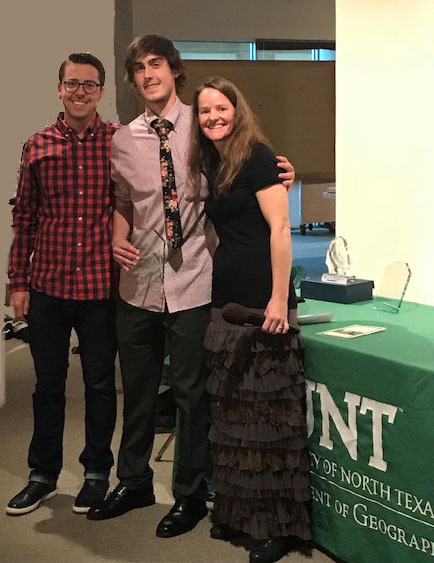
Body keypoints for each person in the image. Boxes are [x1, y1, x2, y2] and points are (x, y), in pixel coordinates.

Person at [87, 35, 295, 539]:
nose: (148, 74)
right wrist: (116, 238)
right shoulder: (123, 139)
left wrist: (281, 171)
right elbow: (124, 201)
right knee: (138, 390)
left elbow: (248, 165)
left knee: (190, 393)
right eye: (139, 68)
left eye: (156, 63)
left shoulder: (203, 129)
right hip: (139, 283)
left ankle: (190, 493)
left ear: (174, 70)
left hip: (195, 280)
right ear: (132, 79)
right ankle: (133, 481)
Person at [188, 76, 311, 563]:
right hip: (226, 300)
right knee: (235, 414)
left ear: (236, 110)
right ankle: (240, 514)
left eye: (221, 108)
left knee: (267, 418)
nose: (213, 117)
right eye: (205, 111)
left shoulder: (258, 156)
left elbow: (280, 228)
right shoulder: (213, 162)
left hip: (264, 298)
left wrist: (279, 298)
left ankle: (275, 527)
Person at [6, 53, 118, 516]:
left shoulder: (119, 142)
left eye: (89, 84)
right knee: (48, 385)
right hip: (48, 286)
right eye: (72, 83)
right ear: (59, 89)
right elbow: (25, 218)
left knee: (100, 386)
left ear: (101, 92)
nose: (80, 92)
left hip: (101, 289)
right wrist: (18, 282)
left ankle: (96, 474)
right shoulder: (37, 145)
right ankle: (42, 475)